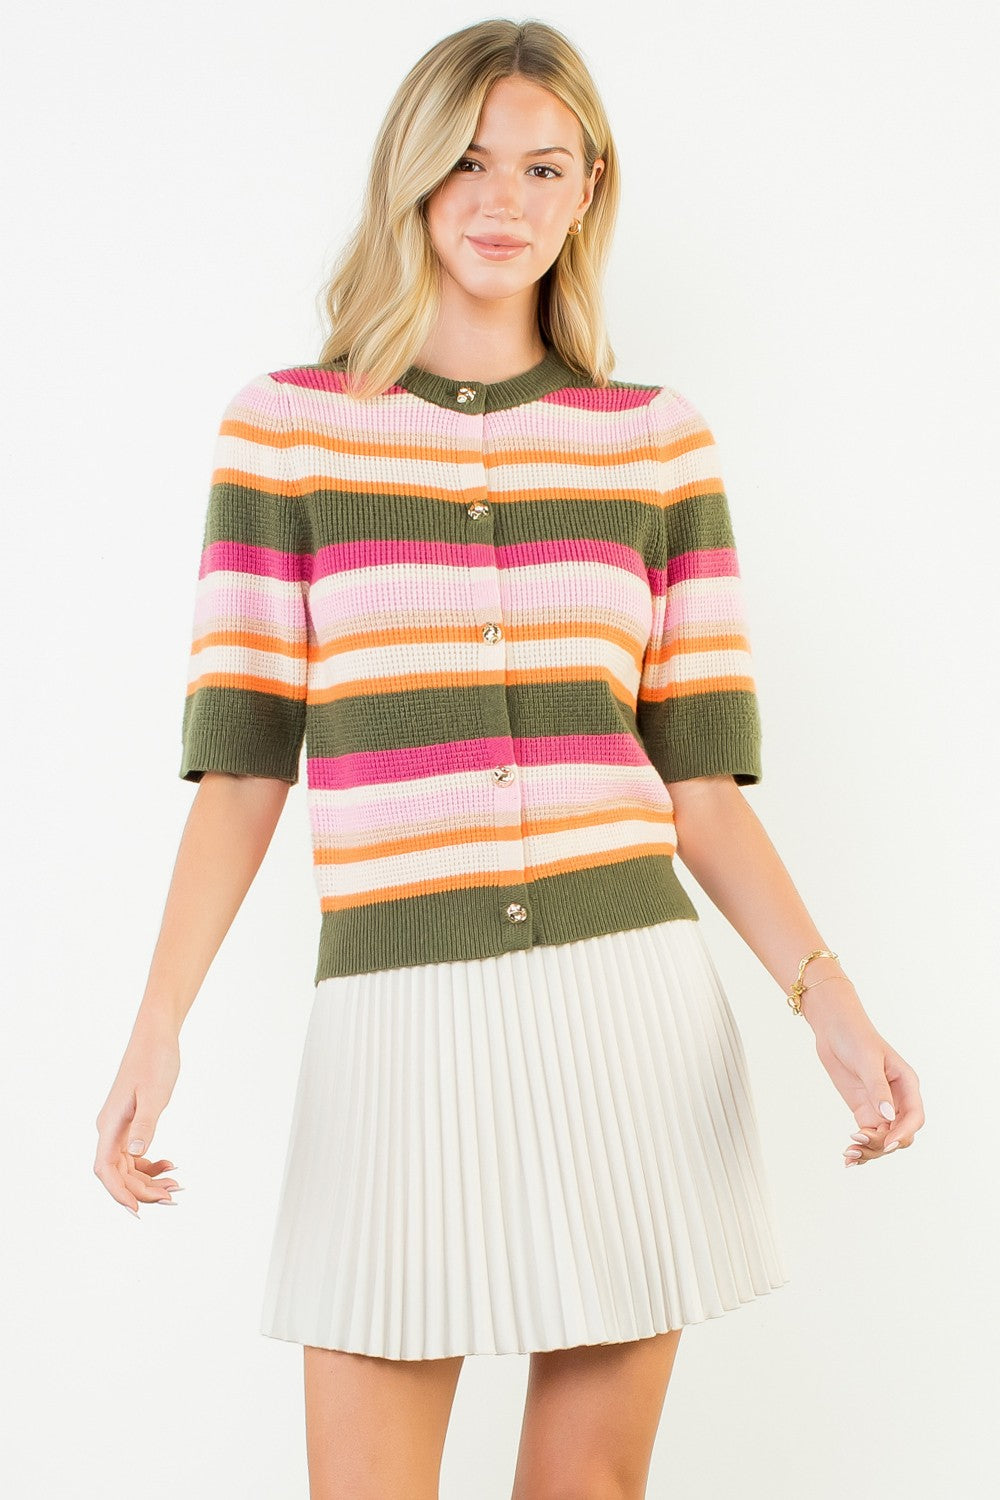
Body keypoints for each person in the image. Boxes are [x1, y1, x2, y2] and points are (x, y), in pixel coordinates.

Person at [94, 18, 925, 1500]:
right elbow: (244, 764)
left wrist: (834, 1010)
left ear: (589, 189)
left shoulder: (654, 444)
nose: (503, 200)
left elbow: (698, 787)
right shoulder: (287, 432)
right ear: (410, 176)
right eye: (468, 161)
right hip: (394, 1023)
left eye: (545, 167)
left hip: (629, 1013)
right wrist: (159, 1026)